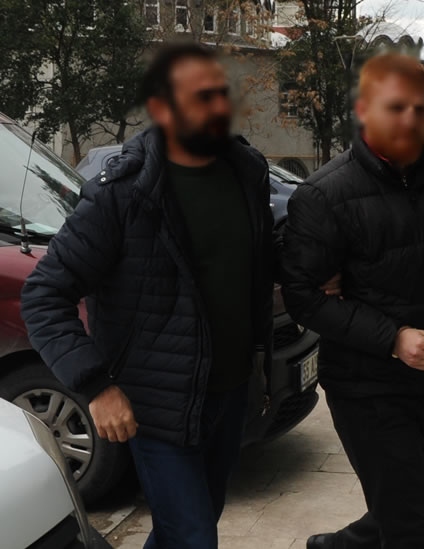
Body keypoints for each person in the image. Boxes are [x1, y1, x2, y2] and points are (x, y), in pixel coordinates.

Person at [20, 42, 340, 549]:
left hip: (231, 393)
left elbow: (257, 260)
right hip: (156, 405)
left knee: (186, 528)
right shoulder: (122, 192)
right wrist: (97, 387)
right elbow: (43, 295)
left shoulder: (246, 171)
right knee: (194, 537)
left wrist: (314, 271)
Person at [281, 53, 424, 549]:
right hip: (366, 387)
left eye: (420, 108)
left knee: (419, 507)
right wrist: (393, 338)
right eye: (396, 107)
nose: (410, 119)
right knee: (417, 528)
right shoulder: (323, 195)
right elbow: (303, 297)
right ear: (364, 110)